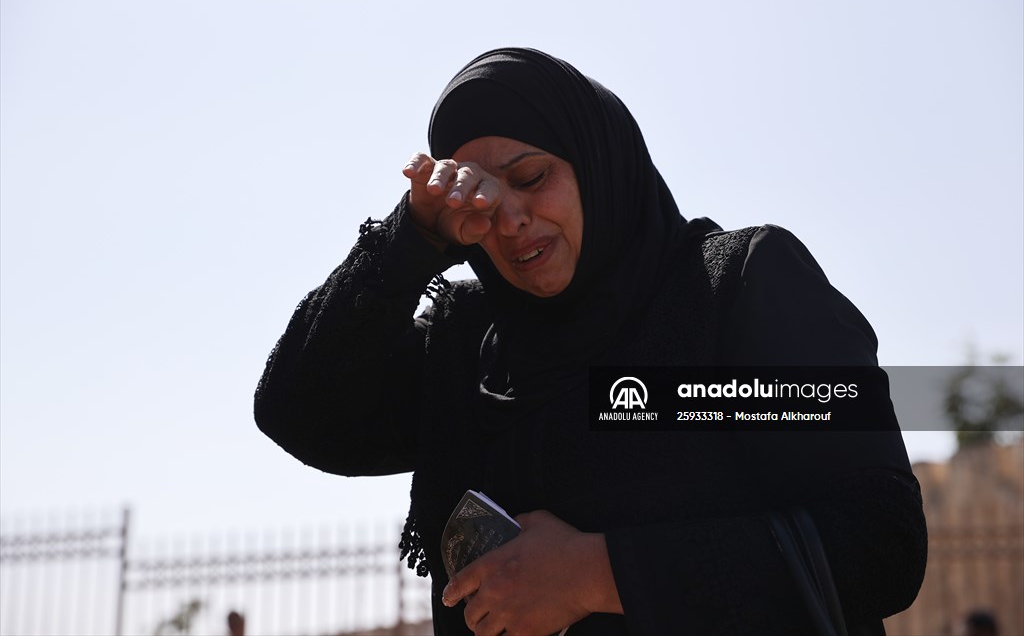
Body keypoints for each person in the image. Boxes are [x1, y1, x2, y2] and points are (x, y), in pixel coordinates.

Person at [254, 48, 927, 635]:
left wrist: (599, 574)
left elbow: (877, 544)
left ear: (595, 163)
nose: (511, 219)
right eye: (482, 200)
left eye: (532, 177)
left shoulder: (736, 292)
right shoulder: (471, 347)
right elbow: (300, 410)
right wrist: (409, 241)